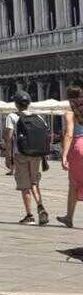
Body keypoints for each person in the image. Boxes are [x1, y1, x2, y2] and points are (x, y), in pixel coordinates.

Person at [6, 90, 51, 225]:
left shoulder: (12, 116)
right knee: (34, 183)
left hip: (20, 154)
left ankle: (29, 215)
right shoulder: (39, 117)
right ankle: (41, 207)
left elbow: (9, 138)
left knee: (25, 185)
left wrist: (8, 156)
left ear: (16, 103)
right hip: (36, 155)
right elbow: (46, 135)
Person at [60, 82, 83, 229]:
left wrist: (64, 156)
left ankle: (69, 217)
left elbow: (69, 134)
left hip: (78, 147)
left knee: (74, 184)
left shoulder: (70, 112)